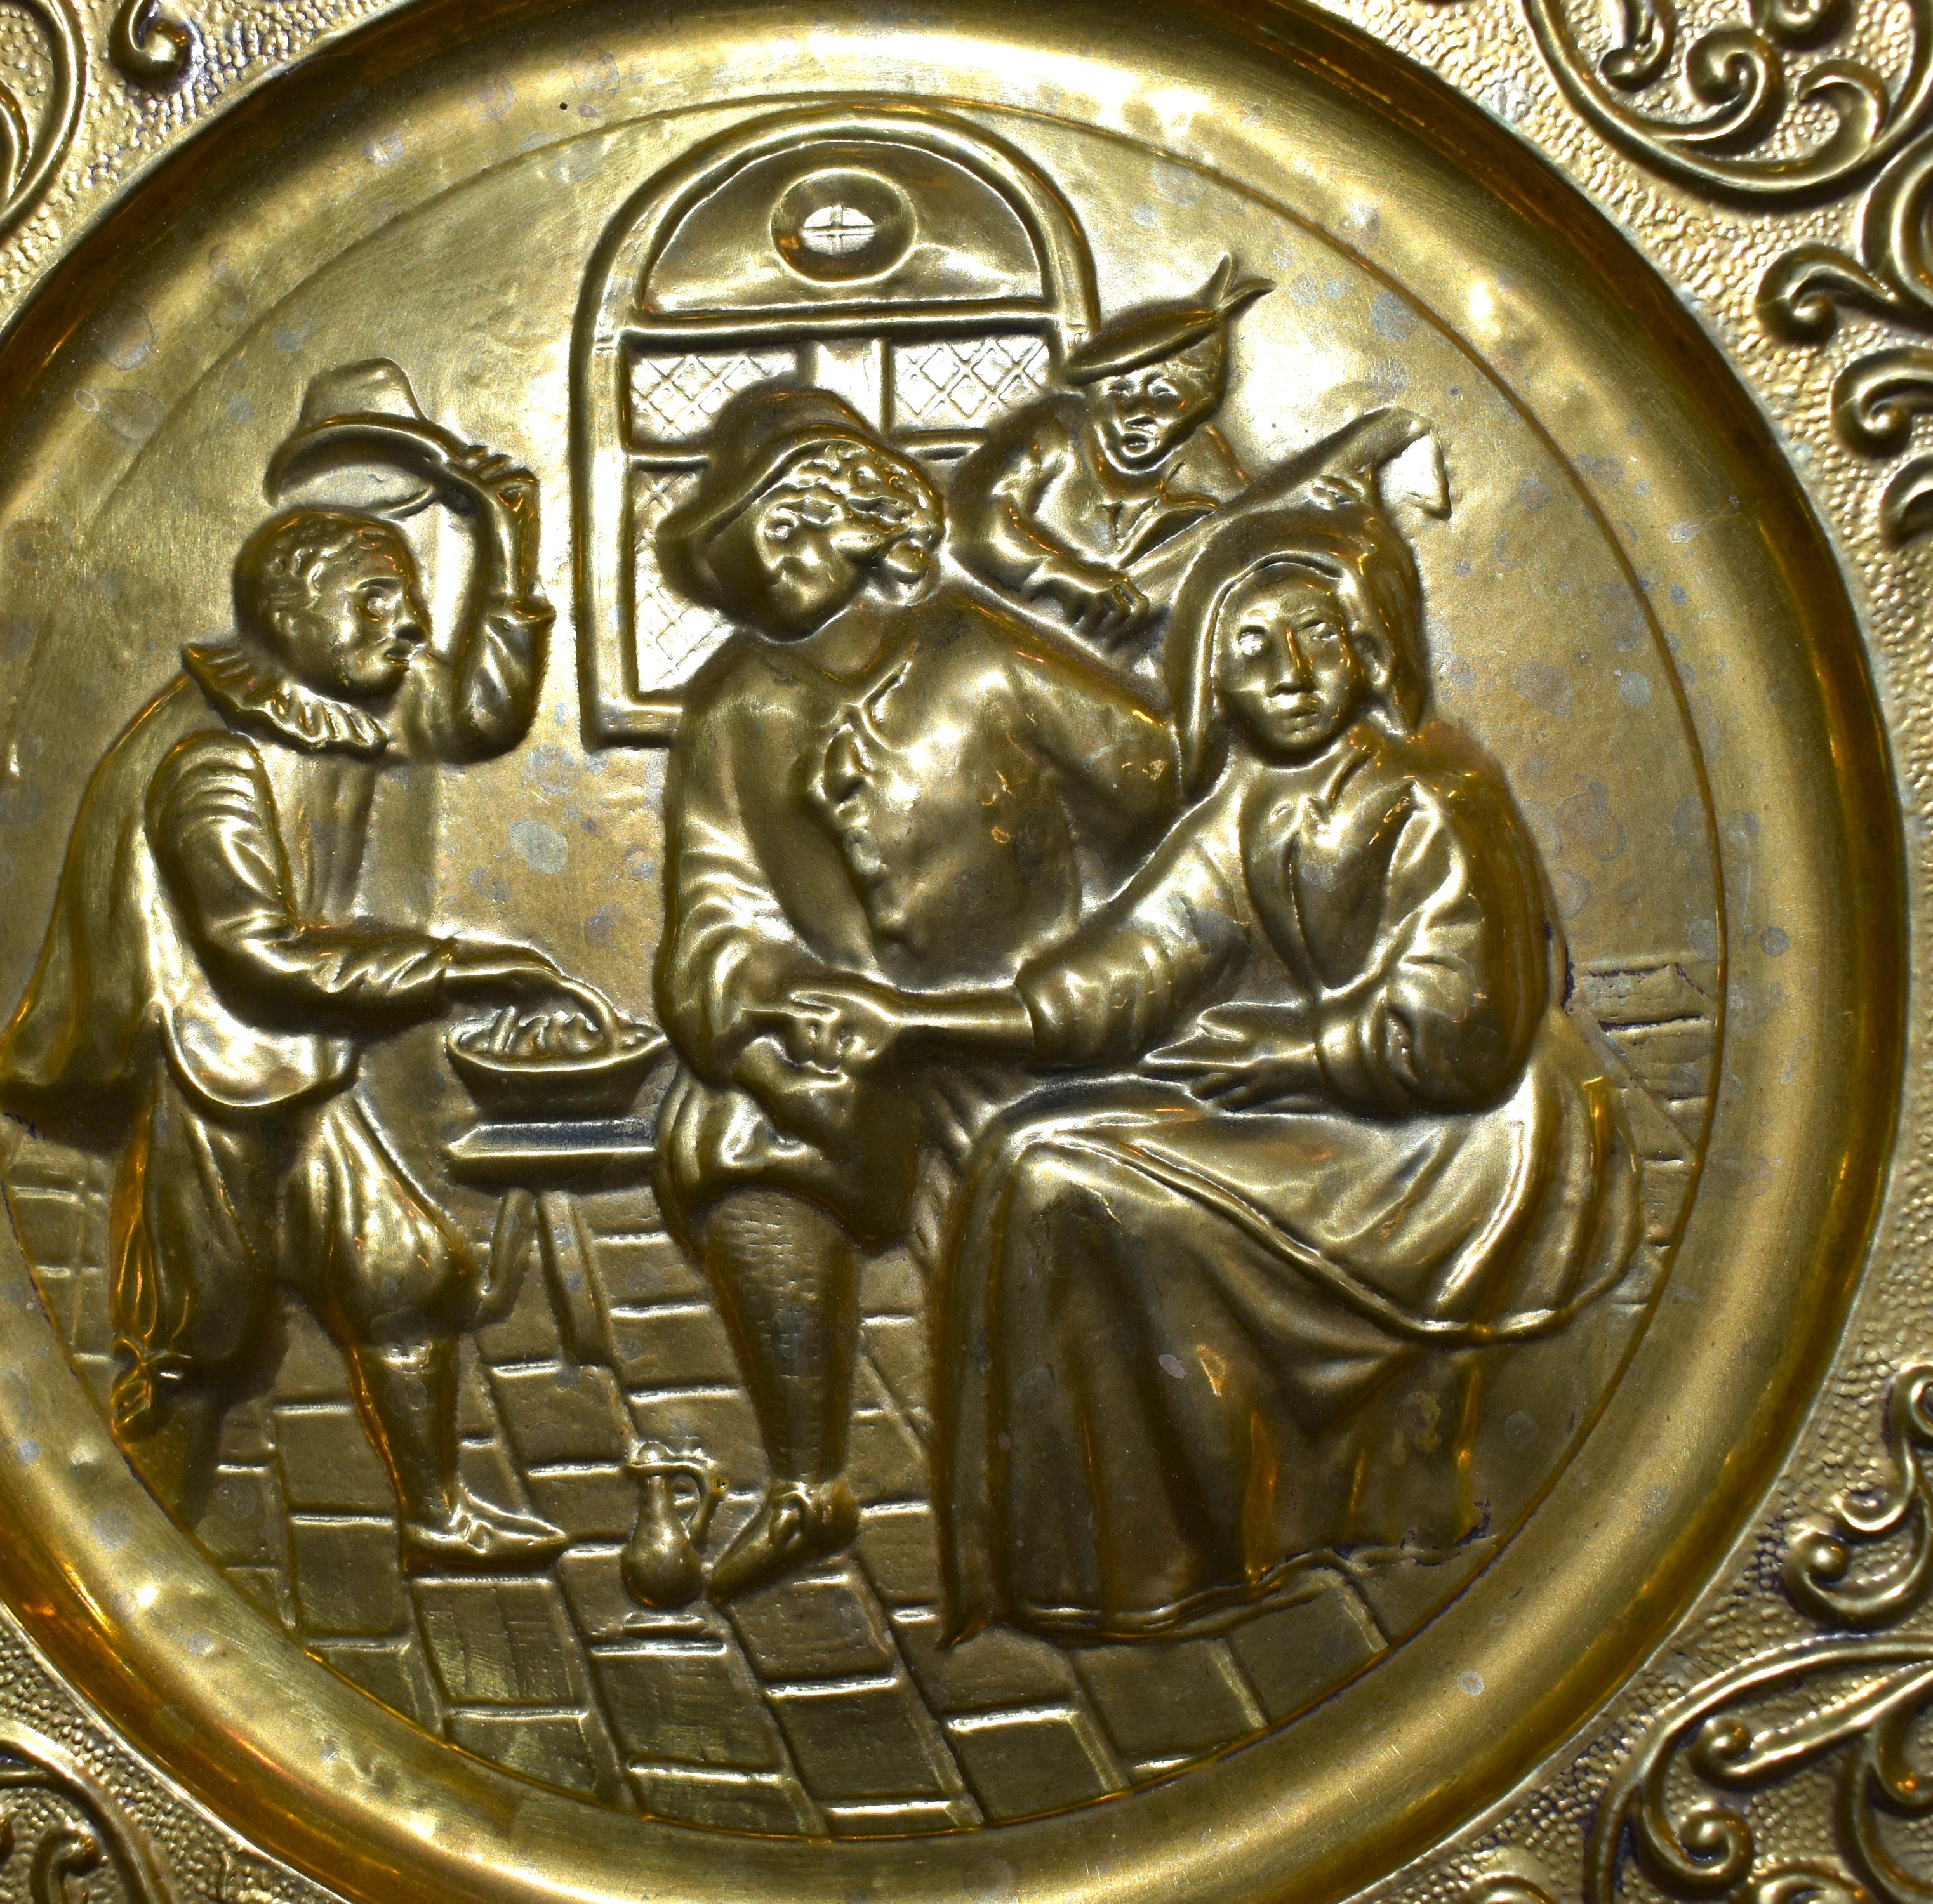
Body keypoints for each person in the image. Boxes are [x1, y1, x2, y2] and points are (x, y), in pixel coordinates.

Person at [791, 495, 1644, 1643]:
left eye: (1315, 636)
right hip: (1328, 1104)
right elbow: (1125, 974)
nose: (1287, 671)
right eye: (1249, 647)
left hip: (1469, 1146)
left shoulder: (1434, 797)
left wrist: (1299, 1049)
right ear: (1213, 679)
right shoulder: (1250, 804)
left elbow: (1465, 1029)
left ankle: (1191, 1552)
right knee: (1025, 1157)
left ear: (1369, 651)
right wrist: (921, 1021)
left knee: (1075, 1183)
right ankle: (1105, 1573)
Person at [0, 440, 591, 1575]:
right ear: (294, 613)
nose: (409, 628)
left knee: (401, 1272)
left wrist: (508, 547)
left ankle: (437, 1517)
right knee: (194, 1334)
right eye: (379, 602)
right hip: (211, 1073)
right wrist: (457, 965)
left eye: (407, 602)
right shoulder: (213, 760)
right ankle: (132, 1557)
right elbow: (260, 956)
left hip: (298, 1067)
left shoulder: (323, 707)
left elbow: (478, 716)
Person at [650, 382, 1179, 1599]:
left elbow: (1162, 792)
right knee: (727, 1133)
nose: (783, 546)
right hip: (862, 1052)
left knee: (1059, 1195)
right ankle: (807, 1486)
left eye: (806, 511)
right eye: (760, 529)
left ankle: (1082, 1488)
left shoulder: (978, 651)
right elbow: (713, 904)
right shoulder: (731, 709)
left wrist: (1116, 965)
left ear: (879, 514)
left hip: (1030, 1031)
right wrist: (773, 996)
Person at [947, 257, 1270, 644]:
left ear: (1200, 402)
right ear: (1093, 397)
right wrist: (1064, 574)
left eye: (1164, 395)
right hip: (1017, 633)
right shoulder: (1055, 430)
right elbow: (974, 519)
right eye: (1119, 392)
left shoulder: (1201, 455)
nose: (1138, 412)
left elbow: (1254, 531)